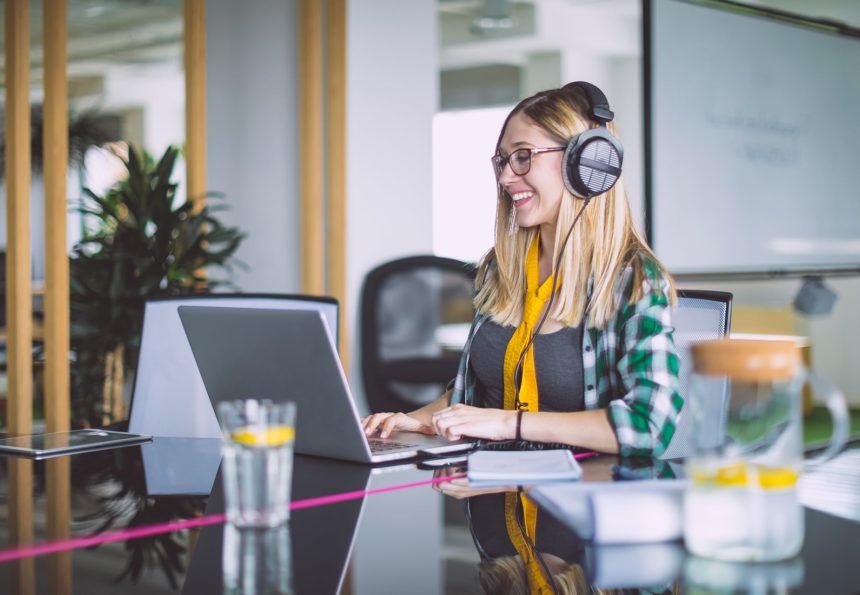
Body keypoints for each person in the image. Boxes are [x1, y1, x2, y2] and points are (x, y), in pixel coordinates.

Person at [362, 81, 681, 460]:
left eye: (524, 156)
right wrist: (423, 419)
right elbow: (479, 391)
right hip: (492, 495)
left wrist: (508, 423)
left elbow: (650, 425)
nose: (505, 177)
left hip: (583, 503)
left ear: (587, 164)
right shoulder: (502, 267)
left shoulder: (633, 281)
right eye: (503, 160)